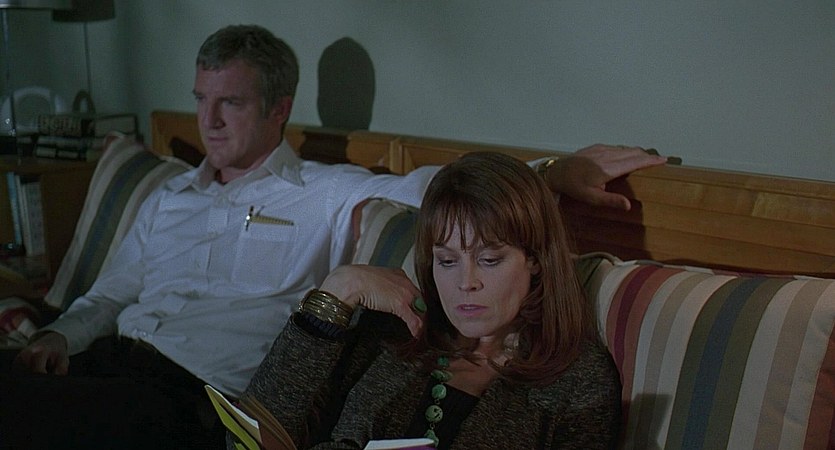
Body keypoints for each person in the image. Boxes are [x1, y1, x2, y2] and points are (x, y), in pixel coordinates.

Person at [0, 24, 661, 449]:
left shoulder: (325, 193)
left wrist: (553, 171)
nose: (208, 120)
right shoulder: (168, 196)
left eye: (229, 102)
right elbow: (109, 293)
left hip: (185, 396)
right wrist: (58, 336)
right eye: (200, 99)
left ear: (278, 110)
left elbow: (445, 190)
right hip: (105, 361)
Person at [240, 151, 621, 450]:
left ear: (534, 258)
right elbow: (253, 436)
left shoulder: (577, 379)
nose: (466, 283)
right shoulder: (391, 332)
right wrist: (338, 290)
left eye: (489, 260)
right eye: (447, 261)